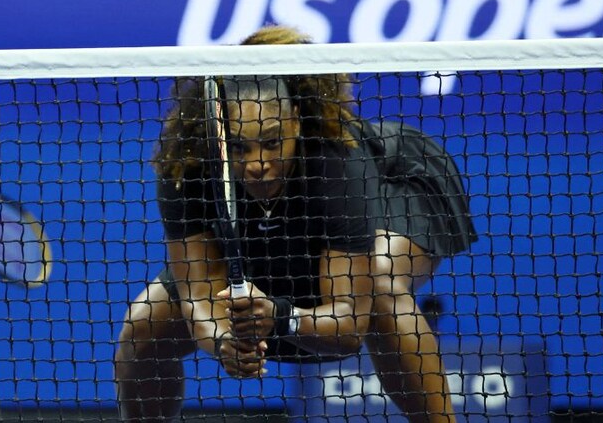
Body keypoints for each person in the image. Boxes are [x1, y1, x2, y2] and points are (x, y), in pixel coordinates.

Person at [114, 24, 476, 423]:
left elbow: (349, 329)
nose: (257, 164)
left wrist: (282, 316)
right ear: (219, 135)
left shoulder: (336, 162)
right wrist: (224, 343)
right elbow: (198, 297)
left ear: (296, 124)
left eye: (271, 142)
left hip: (395, 184)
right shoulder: (188, 162)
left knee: (383, 286)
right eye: (240, 147)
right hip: (275, 226)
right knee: (144, 325)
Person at [240, 26, 477, 423]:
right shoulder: (217, 144)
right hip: (333, 192)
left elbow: (349, 323)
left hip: (400, 177)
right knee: (149, 317)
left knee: (381, 282)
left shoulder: (334, 153)